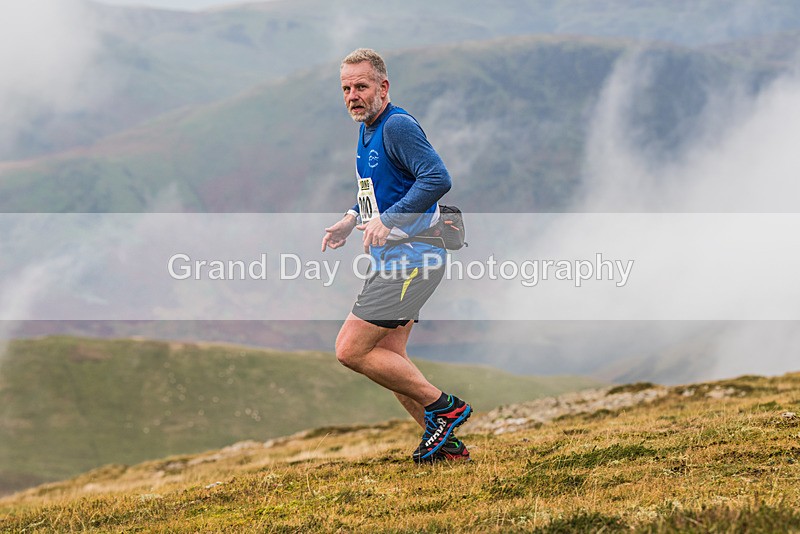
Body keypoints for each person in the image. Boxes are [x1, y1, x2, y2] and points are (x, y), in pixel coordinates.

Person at [321, 48, 471, 463]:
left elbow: (438, 177)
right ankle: (447, 446)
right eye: (346, 88)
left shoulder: (397, 125)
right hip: (395, 259)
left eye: (362, 86)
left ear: (383, 87)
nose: (353, 95)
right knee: (389, 359)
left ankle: (446, 408)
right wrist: (352, 218)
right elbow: (380, 185)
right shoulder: (368, 127)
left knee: (350, 350)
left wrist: (390, 218)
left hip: (414, 258)